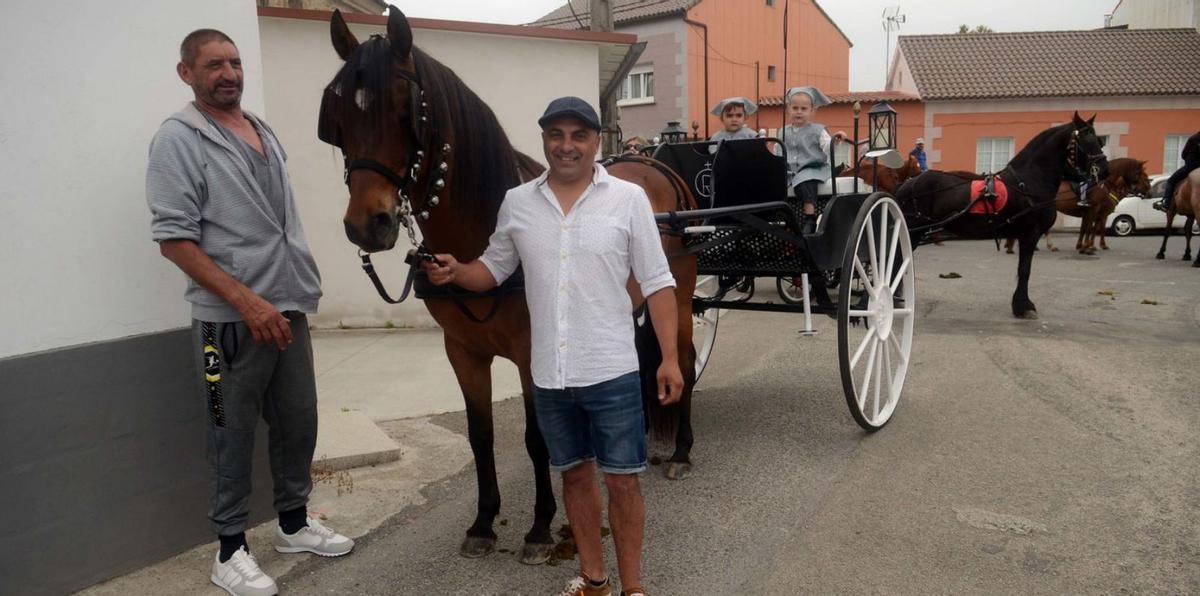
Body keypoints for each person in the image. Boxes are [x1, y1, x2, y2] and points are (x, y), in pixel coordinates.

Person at [422, 97, 682, 596]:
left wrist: (669, 358)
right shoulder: (518, 203)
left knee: (623, 483)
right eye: (556, 135)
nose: (566, 146)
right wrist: (457, 271)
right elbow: (494, 269)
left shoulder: (627, 199)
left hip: (611, 370)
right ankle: (594, 580)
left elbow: (657, 281)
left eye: (578, 135)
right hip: (551, 377)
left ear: (595, 142)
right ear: (544, 140)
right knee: (575, 479)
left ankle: (633, 589)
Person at [146, 29, 353, 596]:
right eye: (214, 65)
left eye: (235, 62)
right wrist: (245, 300)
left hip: (286, 309)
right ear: (187, 73)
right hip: (226, 322)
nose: (229, 73)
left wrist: (283, 295)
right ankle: (230, 550)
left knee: (297, 421)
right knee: (228, 430)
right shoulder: (178, 140)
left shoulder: (260, 129)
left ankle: (292, 524)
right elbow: (174, 240)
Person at [781, 86, 846, 233]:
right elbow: (779, 151)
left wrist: (835, 140)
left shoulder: (818, 130)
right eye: (795, 107)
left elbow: (827, 146)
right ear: (788, 109)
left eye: (803, 108)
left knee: (805, 182)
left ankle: (810, 218)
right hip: (791, 170)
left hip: (814, 168)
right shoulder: (782, 131)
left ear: (812, 111)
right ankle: (781, 218)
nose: (799, 111)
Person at [1154, 130, 1200, 212]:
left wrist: (1188, 162)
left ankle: (1166, 203)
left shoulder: (1193, 139)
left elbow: (1184, 154)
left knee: (1171, 181)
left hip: (1191, 167)